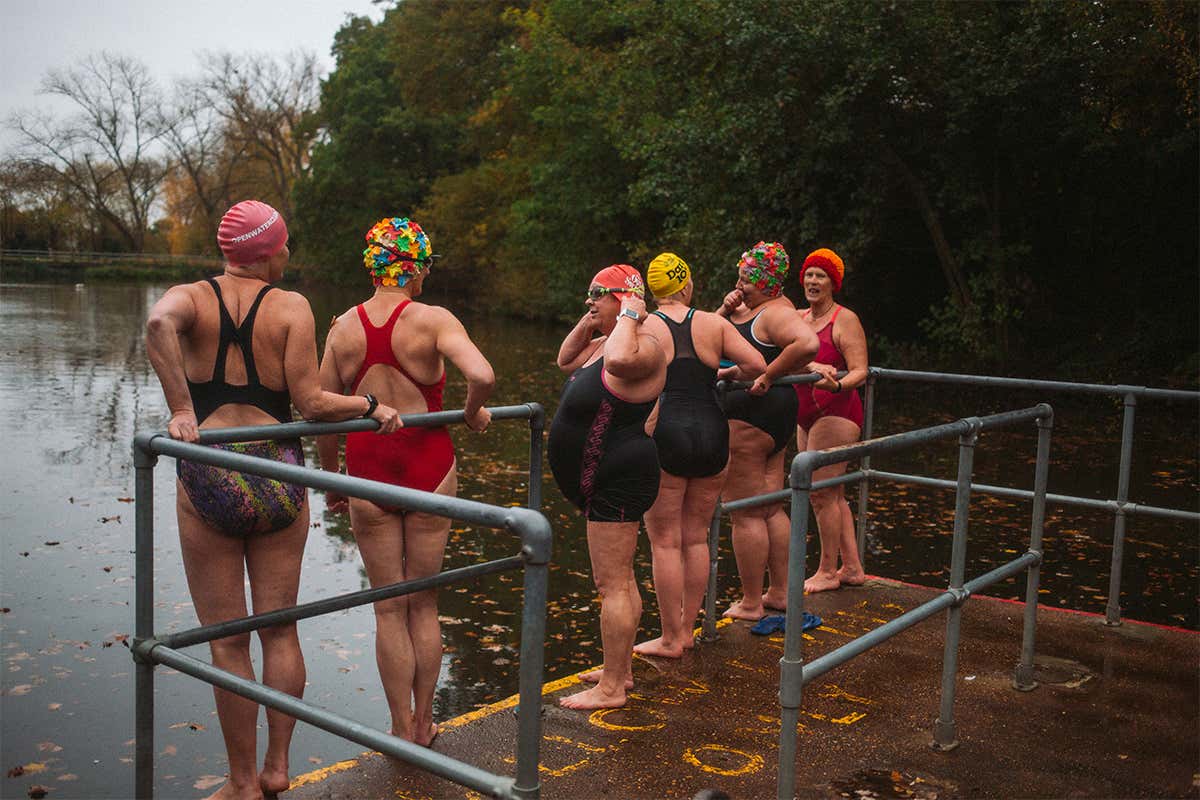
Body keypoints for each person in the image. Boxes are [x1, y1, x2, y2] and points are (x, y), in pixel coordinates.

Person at [145, 200, 401, 800]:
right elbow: (311, 403)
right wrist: (368, 406)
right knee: (280, 630)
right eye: (284, 246)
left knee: (228, 639)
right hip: (279, 471)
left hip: (211, 468)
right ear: (267, 250)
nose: (289, 255)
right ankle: (277, 767)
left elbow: (158, 325)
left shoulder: (192, 297)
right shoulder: (291, 307)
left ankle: (239, 782)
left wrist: (184, 409)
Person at [316, 216, 495, 746]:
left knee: (388, 607)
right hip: (429, 470)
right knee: (424, 603)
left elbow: (322, 411)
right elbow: (482, 375)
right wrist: (471, 411)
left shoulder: (342, 327)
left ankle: (396, 726)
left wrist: (333, 481)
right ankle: (422, 725)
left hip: (369, 475)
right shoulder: (433, 319)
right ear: (414, 268)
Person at [634, 253, 766, 658]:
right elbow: (757, 364)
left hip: (667, 432)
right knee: (696, 537)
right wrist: (725, 374)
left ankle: (671, 636)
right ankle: (688, 629)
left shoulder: (646, 325)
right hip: (713, 431)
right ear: (686, 285)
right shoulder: (714, 323)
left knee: (665, 542)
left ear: (654, 291)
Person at [547, 264, 666, 709]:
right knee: (620, 580)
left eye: (598, 294)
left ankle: (612, 687)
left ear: (625, 298)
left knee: (611, 583)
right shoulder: (603, 343)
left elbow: (619, 360)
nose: (589, 301)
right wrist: (595, 317)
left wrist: (632, 313)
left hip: (621, 474)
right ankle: (622, 668)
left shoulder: (646, 347)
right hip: (604, 476)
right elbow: (564, 360)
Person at [715, 242, 819, 621]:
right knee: (771, 506)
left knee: (744, 512)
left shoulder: (774, 313)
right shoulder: (758, 308)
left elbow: (807, 343)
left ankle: (750, 602)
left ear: (767, 283)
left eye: (747, 279)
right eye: (740, 276)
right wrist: (728, 308)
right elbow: (705, 338)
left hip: (752, 417)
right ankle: (780, 593)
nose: (740, 284)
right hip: (773, 415)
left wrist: (768, 375)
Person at [795, 248, 869, 592]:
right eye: (809, 274)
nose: (813, 281)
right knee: (830, 493)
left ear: (833, 283)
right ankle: (852, 568)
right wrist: (810, 368)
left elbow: (860, 372)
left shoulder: (845, 319)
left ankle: (826, 571)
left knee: (822, 494)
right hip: (805, 415)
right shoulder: (796, 318)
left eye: (820, 275)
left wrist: (836, 383)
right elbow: (781, 355)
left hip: (837, 410)